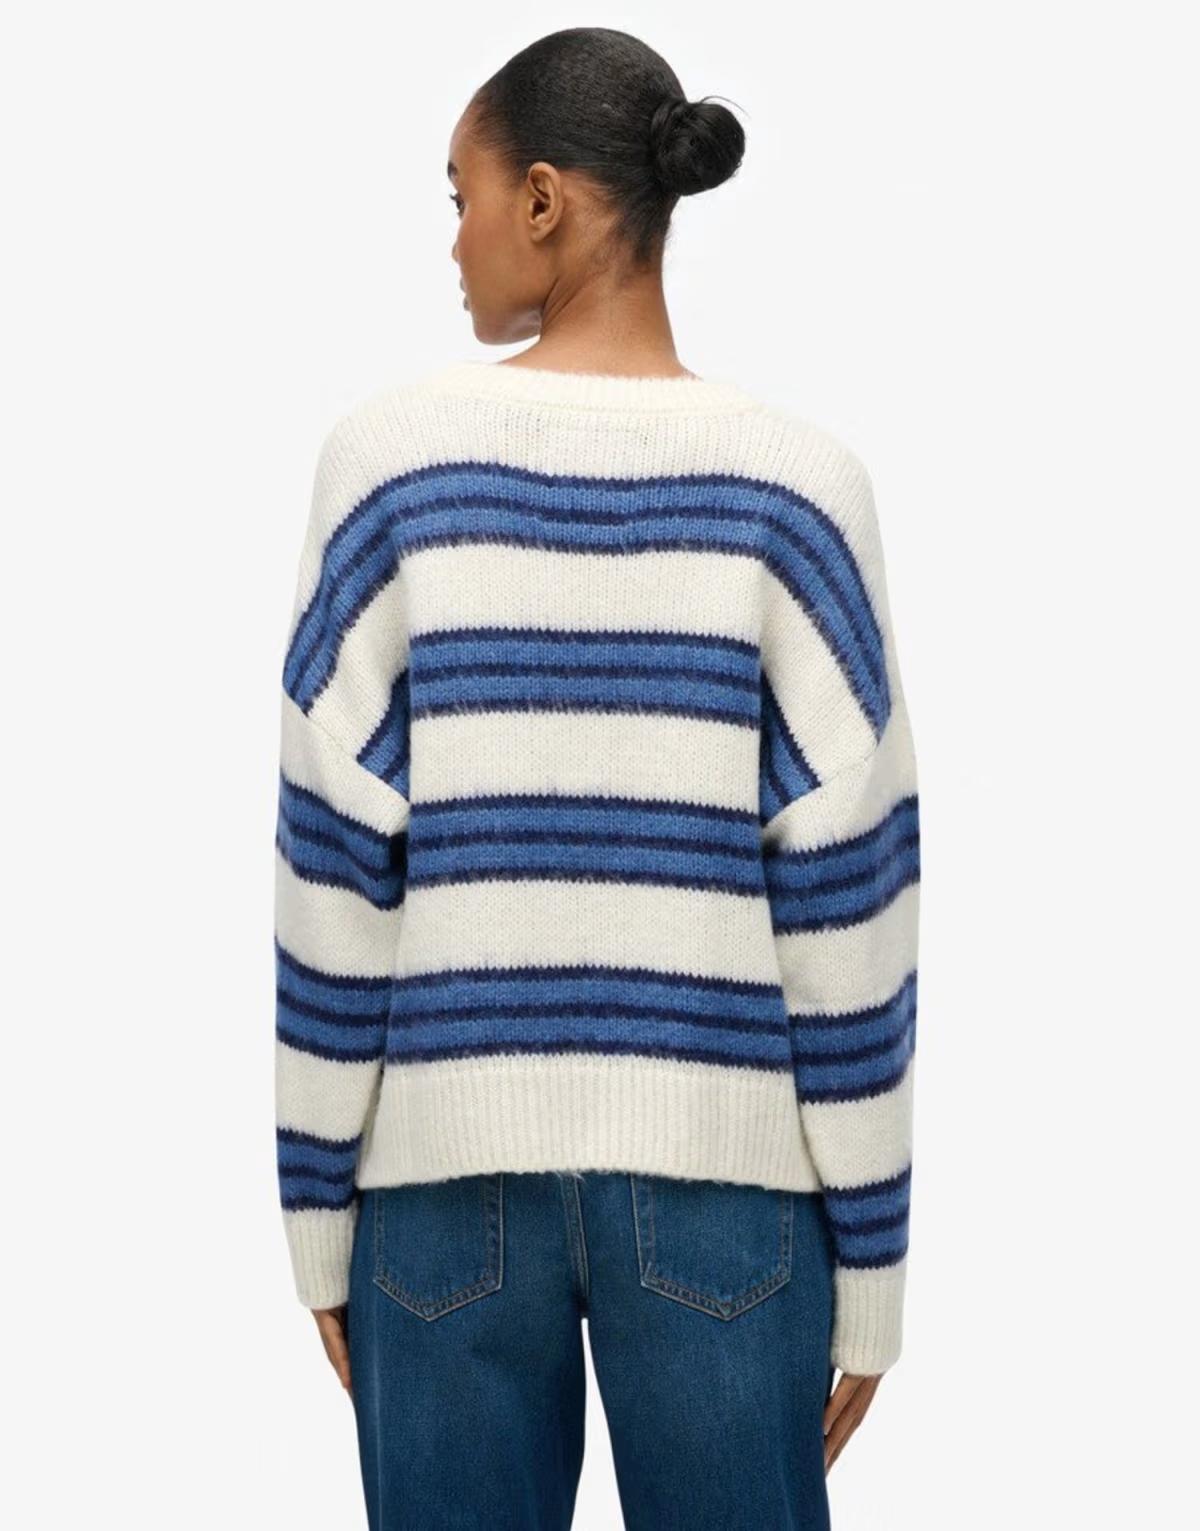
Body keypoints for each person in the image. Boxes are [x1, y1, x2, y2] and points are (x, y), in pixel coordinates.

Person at [273, 25, 920, 1530]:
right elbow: (852, 896)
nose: (455, 240)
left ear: (545, 200)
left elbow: (333, 867)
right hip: (727, 1198)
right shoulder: (797, 488)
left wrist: (318, 1207)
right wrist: (873, 1253)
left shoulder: (389, 468)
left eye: (462, 198)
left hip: (440, 1198)